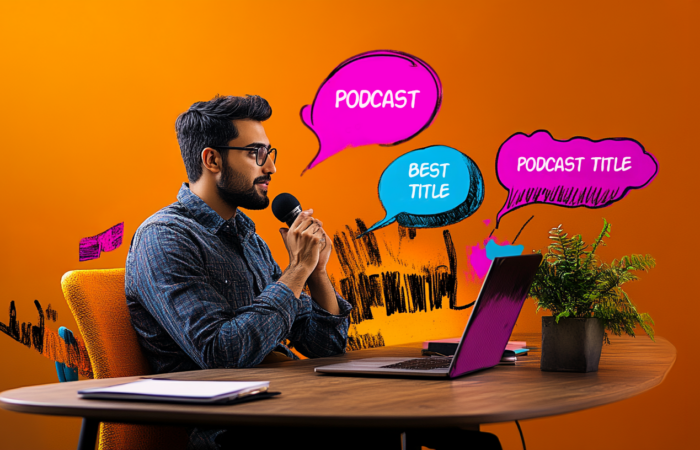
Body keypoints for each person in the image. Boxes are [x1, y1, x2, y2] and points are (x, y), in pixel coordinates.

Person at [125, 94, 352, 449]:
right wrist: (294, 272)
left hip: (284, 403)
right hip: (232, 426)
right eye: (255, 154)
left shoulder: (248, 238)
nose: (271, 168)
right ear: (212, 159)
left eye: (270, 153)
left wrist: (316, 273)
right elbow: (222, 354)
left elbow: (329, 346)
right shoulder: (165, 238)